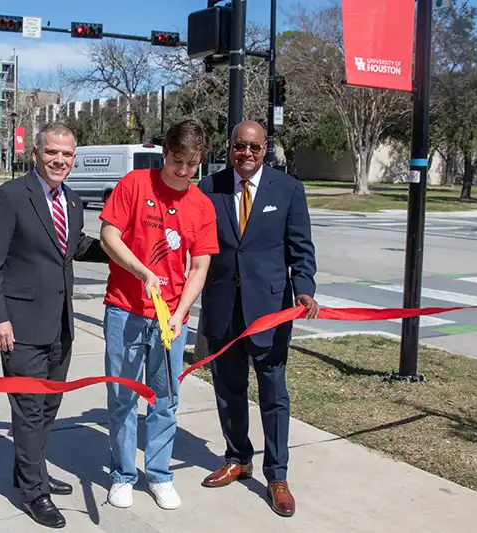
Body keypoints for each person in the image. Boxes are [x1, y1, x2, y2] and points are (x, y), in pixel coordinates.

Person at [0, 122, 109, 529]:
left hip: (61, 325)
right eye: (52, 152)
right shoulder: (10, 197)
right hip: (21, 326)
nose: (59, 161)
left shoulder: (71, 199)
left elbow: (73, 245)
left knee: (49, 407)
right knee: (29, 410)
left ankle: (31, 471)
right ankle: (34, 493)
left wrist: (115, 250)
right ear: (35, 153)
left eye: (67, 155)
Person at [196, 120, 319, 518]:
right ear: (229, 148)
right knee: (228, 389)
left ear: (266, 149)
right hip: (221, 307)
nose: (246, 154)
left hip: (269, 310)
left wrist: (305, 289)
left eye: (254, 147)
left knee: (273, 393)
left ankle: (277, 474)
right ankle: (238, 458)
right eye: (238, 147)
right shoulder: (208, 188)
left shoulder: (288, 190)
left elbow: (301, 249)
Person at [98, 118, 220, 510]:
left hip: (171, 320)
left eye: (191, 164)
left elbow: (199, 267)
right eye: (177, 161)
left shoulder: (201, 206)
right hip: (126, 309)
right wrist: (142, 272)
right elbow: (108, 236)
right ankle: (122, 474)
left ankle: (160, 474)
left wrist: (180, 314)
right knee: (122, 396)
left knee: (165, 399)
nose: (183, 171)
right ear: (165, 152)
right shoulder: (135, 184)